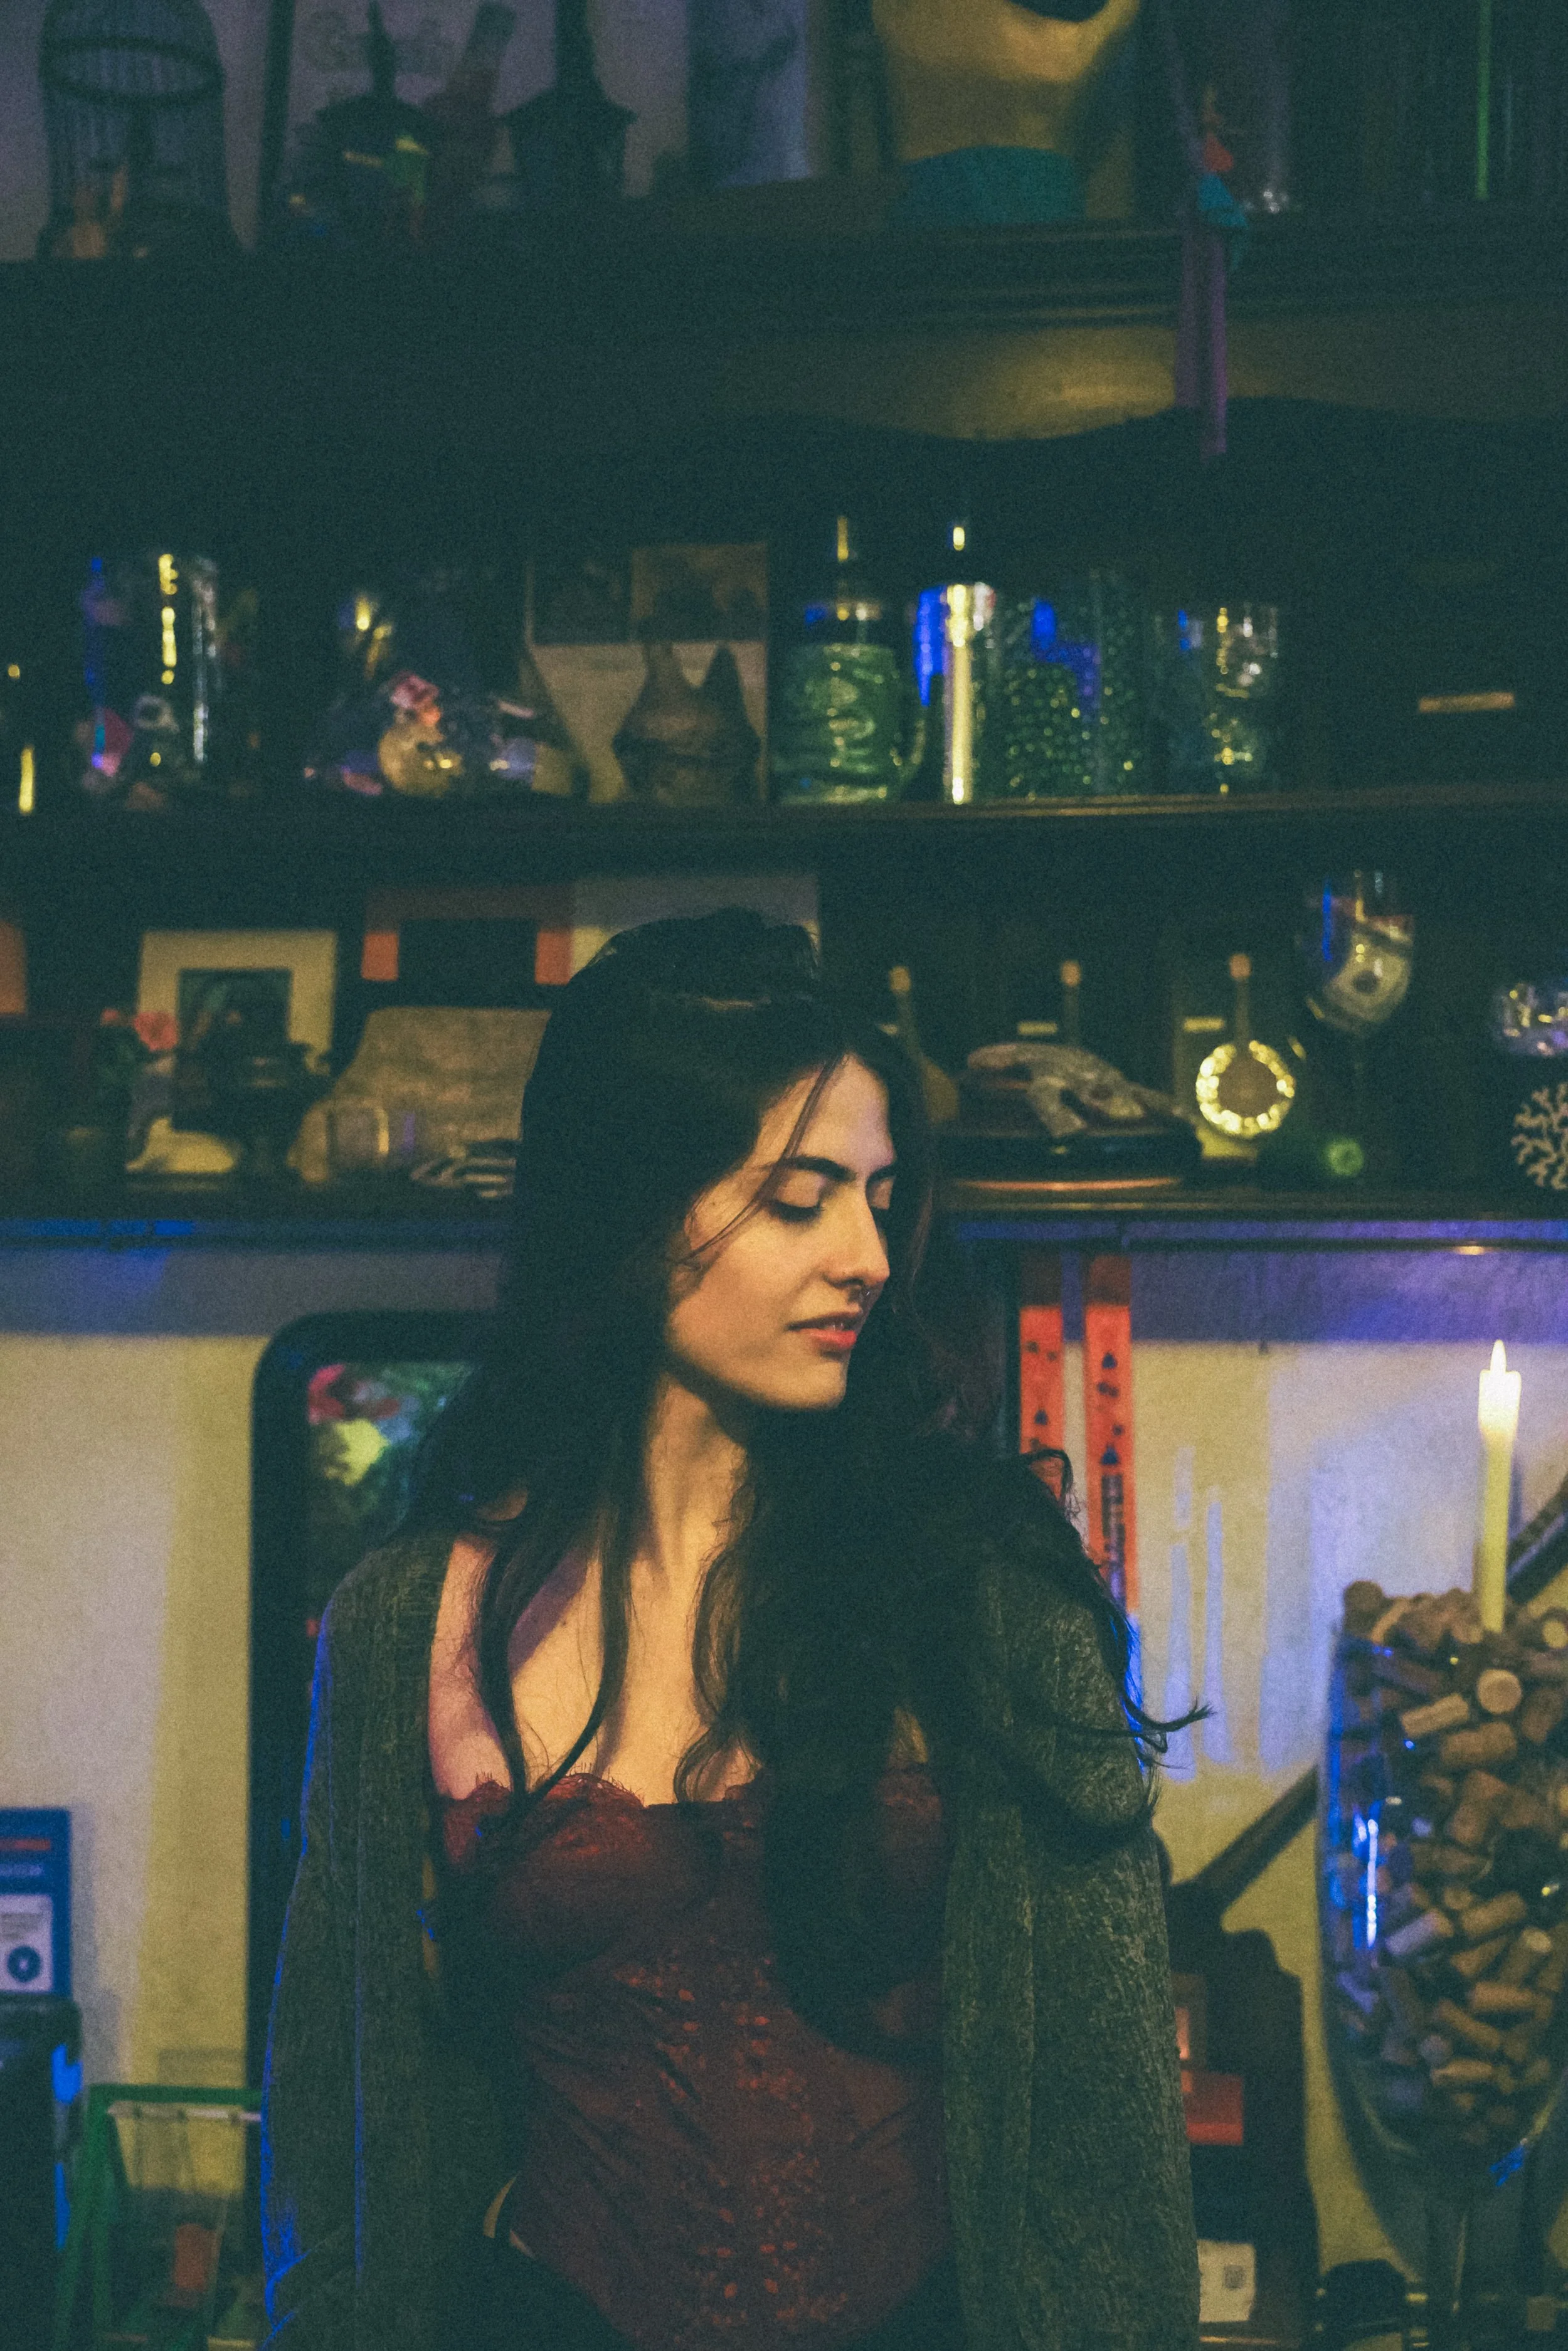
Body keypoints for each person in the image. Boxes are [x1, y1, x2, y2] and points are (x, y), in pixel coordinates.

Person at [260, 911, 1198, 2351]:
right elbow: (347, 2127)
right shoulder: (415, 1620)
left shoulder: (979, 1585)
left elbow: (1104, 2111)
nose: (868, 1254)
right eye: (799, 1197)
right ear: (628, 1212)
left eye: (881, 1197)